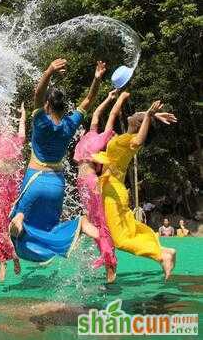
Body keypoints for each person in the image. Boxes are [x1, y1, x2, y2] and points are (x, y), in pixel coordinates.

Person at [9, 58, 105, 264]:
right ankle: (80, 224)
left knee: (16, 228)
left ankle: (20, 219)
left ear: (46, 105)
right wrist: (96, 79)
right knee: (51, 228)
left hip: (35, 179)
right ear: (63, 107)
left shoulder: (41, 121)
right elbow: (89, 100)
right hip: (57, 184)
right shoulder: (70, 124)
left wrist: (50, 70)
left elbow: (37, 93)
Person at [95, 99, 177, 280]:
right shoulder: (125, 136)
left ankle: (161, 255)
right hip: (112, 190)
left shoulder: (131, 140)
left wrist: (149, 116)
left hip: (113, 193)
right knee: (126, 231)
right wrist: (153, 115)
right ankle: (164, 251)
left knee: (120, 239)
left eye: (138, 116)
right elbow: (140, 118)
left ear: (139, 124)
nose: (133, 114)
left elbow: (140, 138)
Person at [74, 90, 130, 283]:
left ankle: (110, 263)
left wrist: (119, 100)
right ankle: (105, 257)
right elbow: (97, 113)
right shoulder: (89, 134)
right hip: (81, 183)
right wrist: (108, 97)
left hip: (90, 181)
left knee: (101, 223)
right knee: (94, 222)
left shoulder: (100, 138)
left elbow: (111, 115)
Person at [0, 102, 25, 282]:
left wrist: (23, 113)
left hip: (12, 184)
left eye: (11, 125)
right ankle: (3, 261)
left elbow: (23, 127)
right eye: (7, 125)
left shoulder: (18, 141)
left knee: (12, 220)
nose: (8, 127)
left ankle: (14, 254)